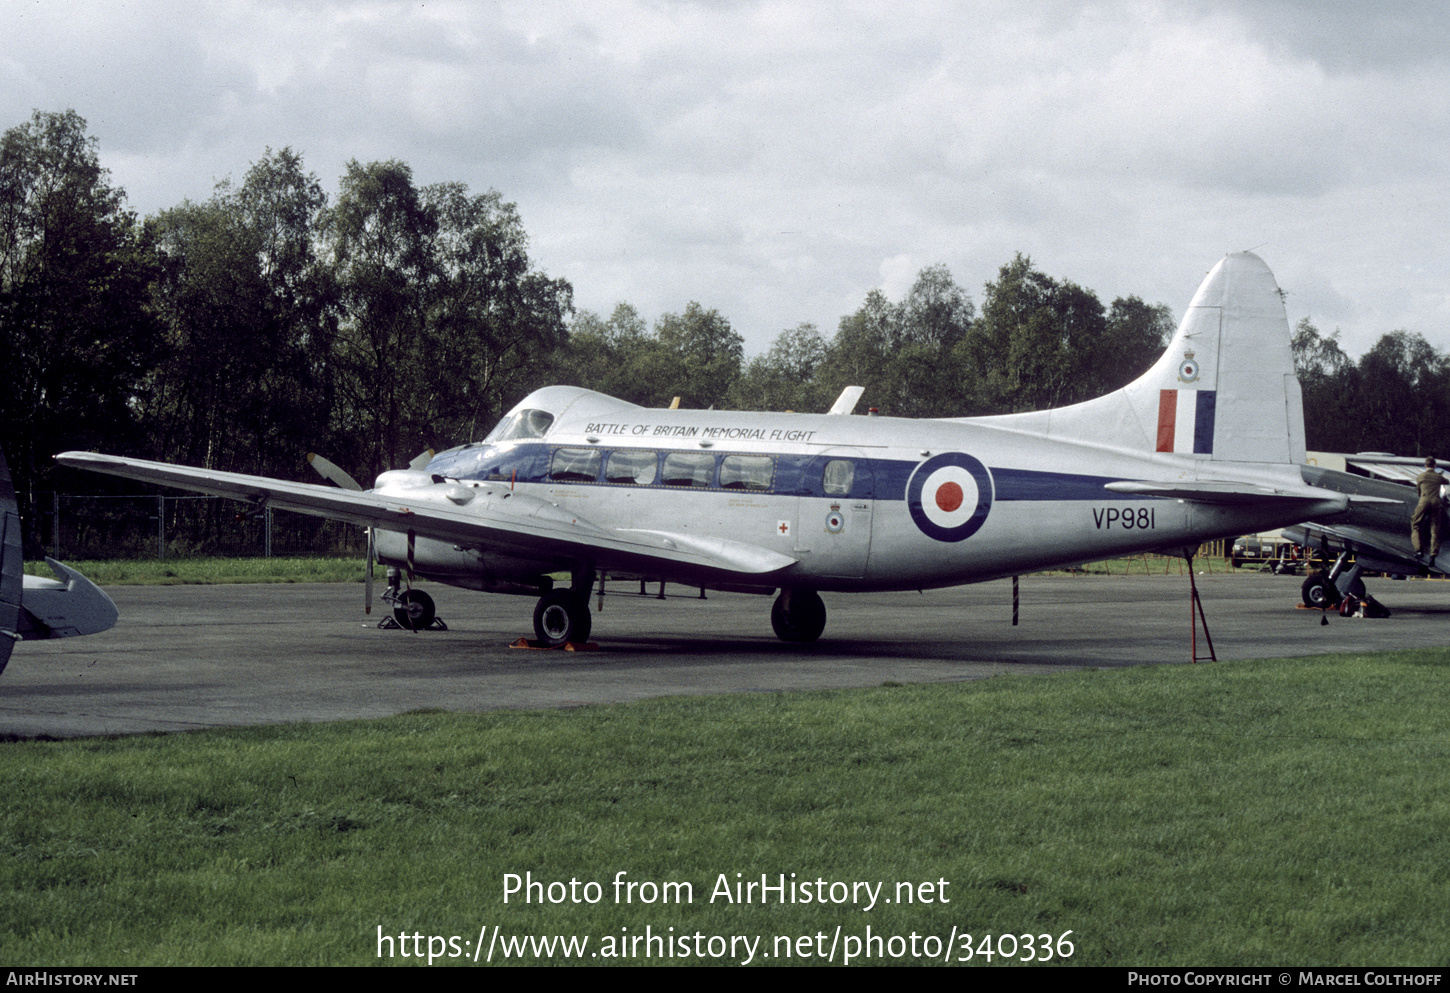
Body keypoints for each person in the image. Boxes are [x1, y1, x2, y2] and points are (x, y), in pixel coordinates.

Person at [1411, 456, 1444, 562]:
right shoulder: (1438, 477)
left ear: (1425, 465)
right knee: (1435, 529)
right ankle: (1433, 555)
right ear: (1434, 465)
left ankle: (1418, 550)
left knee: (1415, 524)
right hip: (1436, 502)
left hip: (1423, 501)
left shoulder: (1421, 476)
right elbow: (1447, 481)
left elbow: (1418, 491)